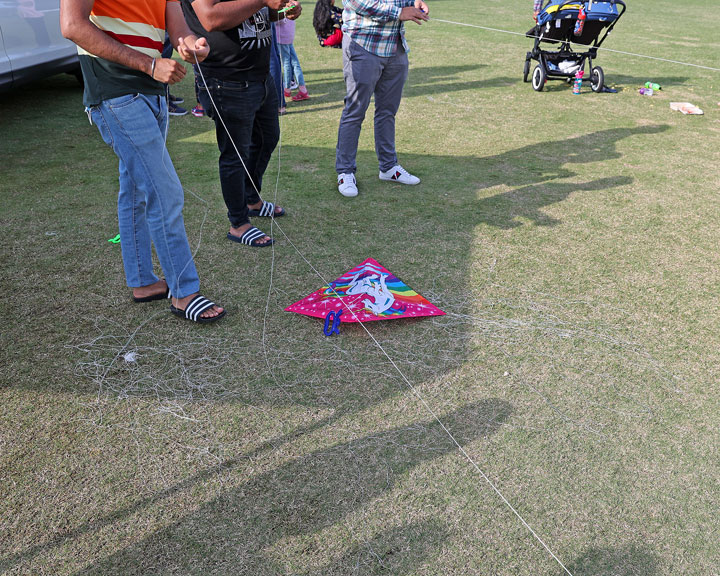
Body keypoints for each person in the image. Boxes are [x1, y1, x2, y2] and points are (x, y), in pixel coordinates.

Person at [60, 0, 226, 323]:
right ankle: (184, 292)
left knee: (135, 188)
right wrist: (149, 66)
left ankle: (143, 282)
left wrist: (193, 46)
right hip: (115, 90)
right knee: (164, 192)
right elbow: (72, 26)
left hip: (153, 92)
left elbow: (179, 31)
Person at [180, 0, 301, 247]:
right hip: (226, 79)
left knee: (268, 137)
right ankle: (239, 223)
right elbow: (211, 18)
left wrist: (282, 11)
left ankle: (251, 199)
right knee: (235, 153)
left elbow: (258, 13)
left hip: (260, 75)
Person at [335, 0, 429, 198]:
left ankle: (388, 167)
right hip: (363, 44)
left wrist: (414, 1)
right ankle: (345, 171)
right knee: (355, 110)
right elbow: (357, 2)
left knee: (387, 111)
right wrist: (399, 12)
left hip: (395, 47)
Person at [275, 17, 309, 101]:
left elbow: (280, 20)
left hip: (282, 37)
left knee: (286, 63)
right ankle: (302, 88)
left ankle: (287, 88)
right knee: (294, 62)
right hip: (289, 36)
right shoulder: (293, 4)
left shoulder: (285, 6)